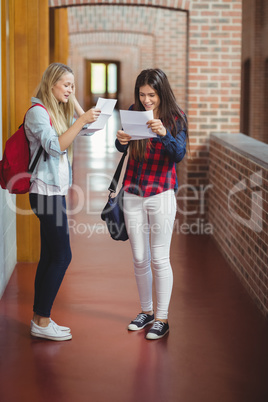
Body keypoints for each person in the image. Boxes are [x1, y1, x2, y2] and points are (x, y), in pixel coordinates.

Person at [25, 63, 101, 341]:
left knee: (49, 256)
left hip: (54, 193)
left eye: (73, 85)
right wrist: (80, 120)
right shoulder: (37, 113)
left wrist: (77, 107)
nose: (70, 89)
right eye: (66, 85)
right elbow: (56, 146)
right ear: (51, 83)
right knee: (62, 256)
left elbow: (90, 131)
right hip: (44, 194)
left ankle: (39, 318)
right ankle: (42, 321)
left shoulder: (57, 111)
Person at [116, 68, 188, 340]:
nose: (146, 100)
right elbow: (123, 148)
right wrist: (120, 141)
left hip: (161, 193)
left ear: (162, 93)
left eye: (152, 95)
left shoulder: (176, 116)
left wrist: (163, 133)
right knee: (138, 257)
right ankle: (146, 311)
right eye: (143, 94)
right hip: (133, 192)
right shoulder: (134, 111)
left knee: (159, 257)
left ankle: (162, 318)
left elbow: (178, 154)